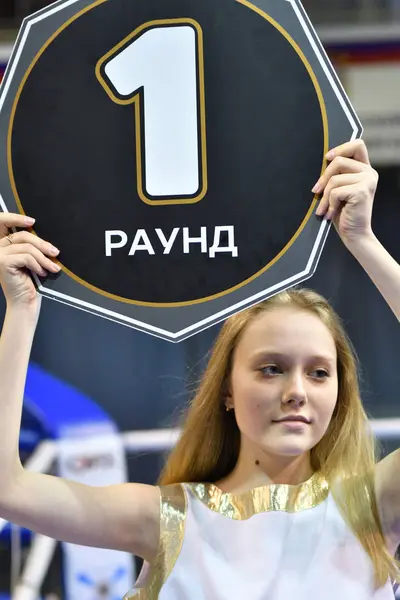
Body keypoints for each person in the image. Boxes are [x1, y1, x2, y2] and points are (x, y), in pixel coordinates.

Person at [0, 139, 399, 600]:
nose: (296, 391)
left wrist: (364, 242)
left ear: (340, 392)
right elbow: (8, 487)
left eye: (318, 373)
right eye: (271, 369)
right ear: (227, 389)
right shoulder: (166, 520)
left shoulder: (373, 509)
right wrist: (22, 307)